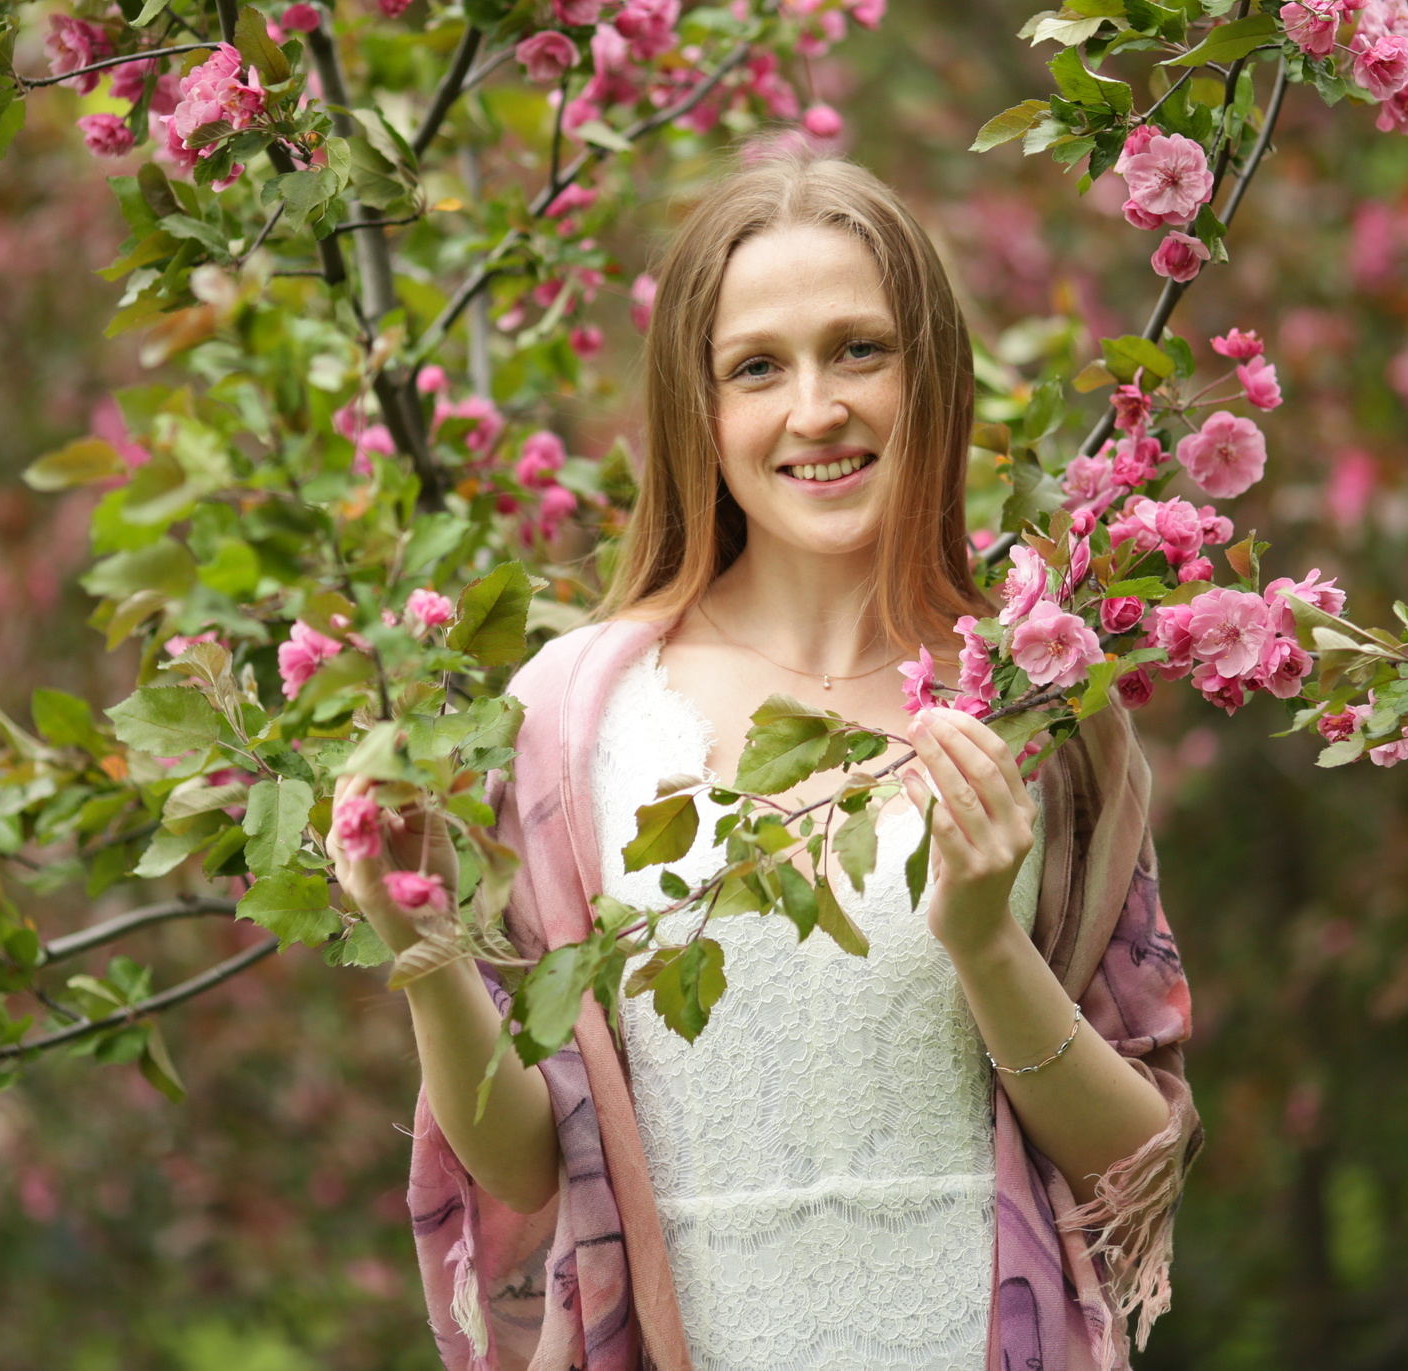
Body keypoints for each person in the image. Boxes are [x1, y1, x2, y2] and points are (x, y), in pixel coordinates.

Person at [330, 153, 1198, 1371]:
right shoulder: (573, 715)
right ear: (700, 409)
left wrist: (985, 942)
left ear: (931, 374)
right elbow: (529, 1161)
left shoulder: (1040, 709)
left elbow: (1132, 1155)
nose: (814, 410)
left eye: (859, 350)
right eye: (756, 367)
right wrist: (415, 941)